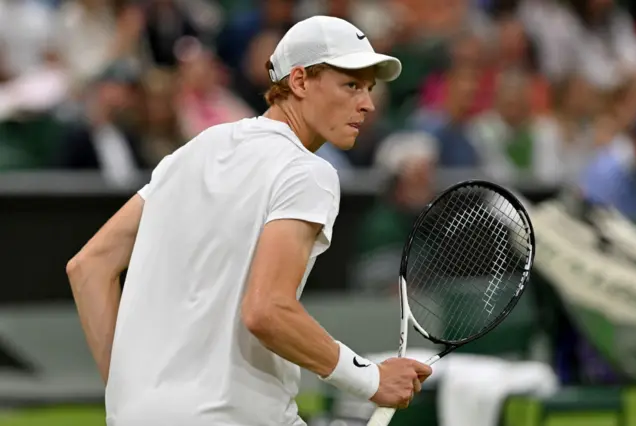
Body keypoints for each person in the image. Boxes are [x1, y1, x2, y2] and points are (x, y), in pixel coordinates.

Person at [66, 15, 433, 426]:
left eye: (368, 88)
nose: (366, 103)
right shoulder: (309, 173)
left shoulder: (196, 149)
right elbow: (266, 310)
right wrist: (370, 379)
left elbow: (88, 267)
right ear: (299, 82)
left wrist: (126, 393)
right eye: (351, 85)